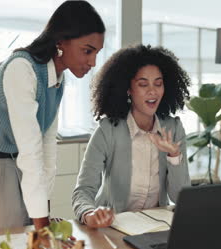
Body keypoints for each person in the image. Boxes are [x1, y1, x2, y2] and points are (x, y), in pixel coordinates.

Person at [0, 0, 105, 232]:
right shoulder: (22, 69)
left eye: (97, 53)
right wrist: (42, 229)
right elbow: (31, 154)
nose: (93, 62)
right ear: (61, 41)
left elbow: (47, 150)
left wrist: (44, 214)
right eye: (87, 51)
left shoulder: (57, 80)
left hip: (18, 169)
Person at [72, 44, 192, 228]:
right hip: (113, 226)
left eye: (158, 84)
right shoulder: (108, 130)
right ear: (128, 89)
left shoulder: (173, 129)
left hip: (156, 226)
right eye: (143, 84)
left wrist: (174, 157)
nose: (152, 91)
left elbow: (180, 198)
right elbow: (83, 190)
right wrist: (89, 213)